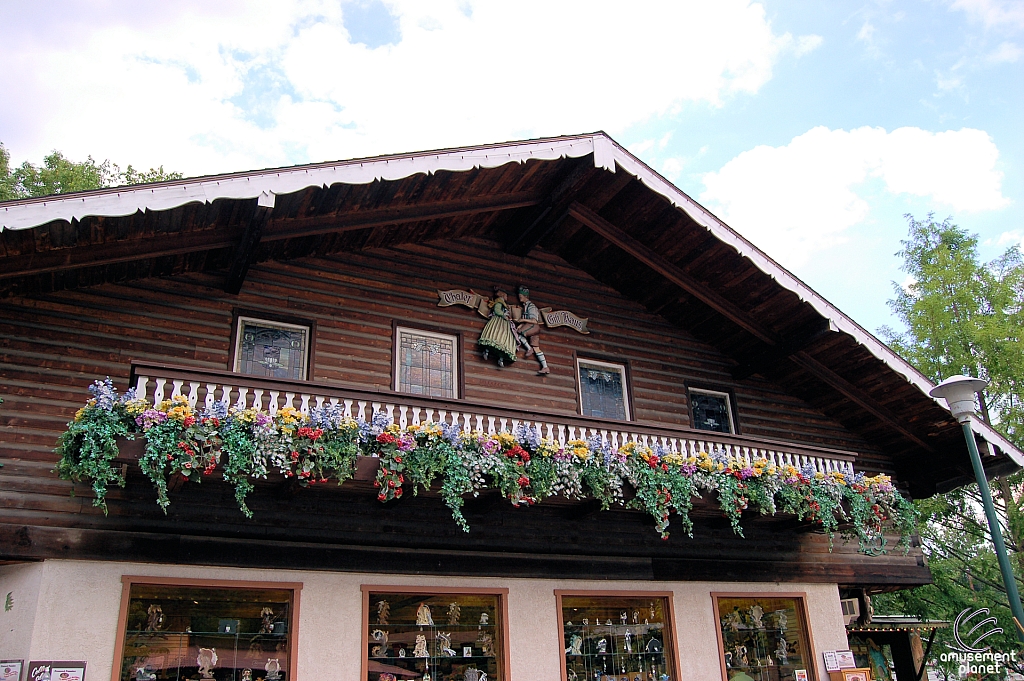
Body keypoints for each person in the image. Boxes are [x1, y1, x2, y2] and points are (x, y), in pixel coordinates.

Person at [478, 287, 518, 367]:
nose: (507, 297)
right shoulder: (499, 302)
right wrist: (503, 315)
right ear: (503, 295)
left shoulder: (503, 303)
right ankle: (486, 351)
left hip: (505, 323)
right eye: (506, 295)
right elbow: (497, 310)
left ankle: (501, 358)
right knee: (495, 336)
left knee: (504, 340)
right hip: (499, 321)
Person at [514, 286, 550, 374]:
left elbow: (534, 320)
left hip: (533, 326)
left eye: (521, 296)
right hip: (531, 327)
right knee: (536, 347)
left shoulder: (531, 306)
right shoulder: (525, 307)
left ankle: (529, 349)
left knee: (518, 333)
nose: (520, 298)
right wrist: (521, 325)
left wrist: (522, 321)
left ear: (525, 296)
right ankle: (545, 367)